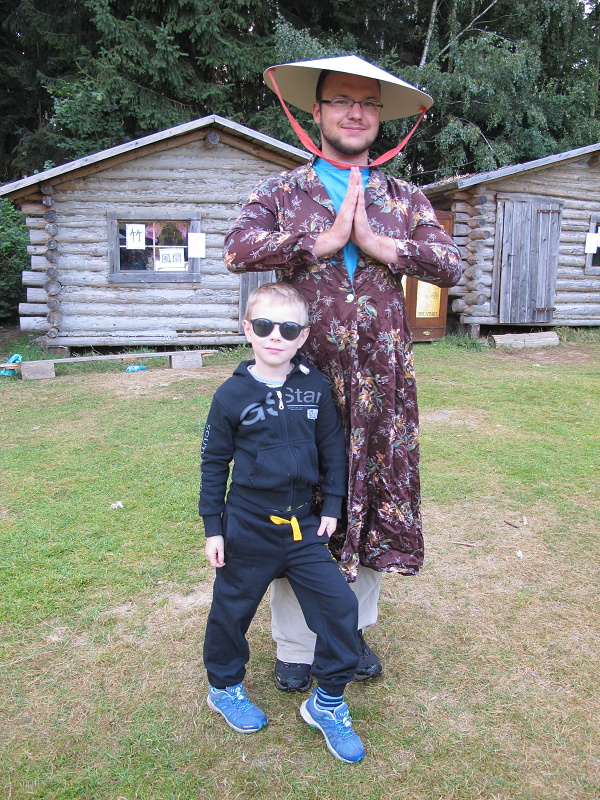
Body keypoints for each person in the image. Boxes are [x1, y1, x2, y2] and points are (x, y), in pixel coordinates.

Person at [223, 55, 462, 692]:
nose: (355, 113)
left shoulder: (404, 198)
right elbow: (236, 249)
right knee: (298, 505)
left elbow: (450, 264)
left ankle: (349, 633)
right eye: (341, 101)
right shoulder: (282, 192)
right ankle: (296, 645)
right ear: (318, 110)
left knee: (371, 499)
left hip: (383, 386)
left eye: (368, 103)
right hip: (303, 385)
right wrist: (321, 241)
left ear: (380, 116)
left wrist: (382, 246)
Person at [200, 281, 365, 764]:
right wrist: (213, 527)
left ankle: (327, 701)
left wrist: (331, 505)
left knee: (340, 606)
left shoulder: (315, 387)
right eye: (265, 325)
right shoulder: (231, 395)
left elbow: (332, 450)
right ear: (247, 330)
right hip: (247, 525)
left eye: (289, 328)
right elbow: (214, 463)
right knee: (231, 610)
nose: (276, 336)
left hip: (304, 526)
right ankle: (224, 687)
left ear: (303, 336)